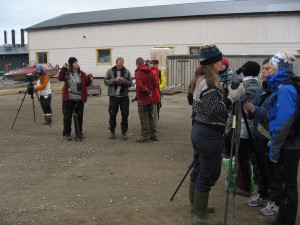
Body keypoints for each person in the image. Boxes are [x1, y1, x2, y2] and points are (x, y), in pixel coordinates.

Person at [189, 44, 245, 225]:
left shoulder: (201, 78)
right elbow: (215, 111)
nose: (222, 62)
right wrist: (232, 97)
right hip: (209, 132)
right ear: (213, 61)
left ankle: (196, 207)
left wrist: (227, 93)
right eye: (219, 59)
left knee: (199, 168)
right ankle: (200, 215)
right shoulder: (210, 82)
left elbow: (209, 102)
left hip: (199, 129)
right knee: (209, 172)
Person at [244, 58, 282, 218]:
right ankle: (263, 194)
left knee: (272, 171)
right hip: (258, 135)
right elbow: (253, 103)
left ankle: (275, 201)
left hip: (269, 137)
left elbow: (275, 115)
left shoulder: (279, 91)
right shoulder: (263, 87)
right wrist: (250, 108)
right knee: (260, 168)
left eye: (267, 69)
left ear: (276, 71)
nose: (263, 72)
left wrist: (255, 110)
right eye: (263, 68)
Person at [265, 51, 299, 225]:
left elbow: (284, 122)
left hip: (288, 145)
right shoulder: (285, 87)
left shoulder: (285, 90)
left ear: (279, 70)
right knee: (286, 183)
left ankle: (286, 221)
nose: (268, 72)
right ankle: (284, 218)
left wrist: (275, 150)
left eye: (270, 68)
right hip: (288, 143)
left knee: (287, 185)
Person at [234, 61, 261, 197]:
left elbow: (232, 99)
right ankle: (258, 183)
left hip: (244, 126)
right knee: (255, 156)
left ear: (244, 71)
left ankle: (245, 187)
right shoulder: (261, 85)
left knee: (242, 156)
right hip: (257, 126)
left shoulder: (242, 86)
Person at [57, 57, 93, 140]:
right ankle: (67, 133)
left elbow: (86, 84)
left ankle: (79, 132)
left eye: (77, 62)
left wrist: (89, 79)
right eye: (75, 62)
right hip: (68, 98)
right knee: (67, 117)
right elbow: (60, 78)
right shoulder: (66, 73)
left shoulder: (82, 73)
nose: (77, 64)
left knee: (80, 117)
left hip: (79, 98)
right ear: (71, 65)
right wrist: (63, 68)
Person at [104, 57, 133, 140]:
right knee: (112, 114)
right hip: (113, 97)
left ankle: (124, 132)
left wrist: (124, 81)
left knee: (125, 115)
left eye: (121, 64)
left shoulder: (127, 72)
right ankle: (112, 131)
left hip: (124, 97)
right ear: (116, 63)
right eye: (119, 64)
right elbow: (105, 82)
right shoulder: (110, 71)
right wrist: (114, 80)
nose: (120, 66)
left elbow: (130, 83)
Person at [134, 57, 158, 142]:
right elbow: (155, 84)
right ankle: (153, 135)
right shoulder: (150, 71)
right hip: (150, 98)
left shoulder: (138, 72)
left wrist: (146, 91)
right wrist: (150, 90)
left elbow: (140, 85)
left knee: (144, 117)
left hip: (142, 99)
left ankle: (145, 135)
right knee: (151, 116)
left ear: (137, 64)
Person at [218, 57, 234, 158]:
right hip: (219, 104)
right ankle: (221, 147)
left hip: (228, 106)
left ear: (226, 66)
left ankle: (227, 151)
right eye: (219, 64)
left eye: (222, 64)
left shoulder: (230, 75)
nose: (220, 66)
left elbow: (230, 90)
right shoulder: (216, 75)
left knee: (227, 128)